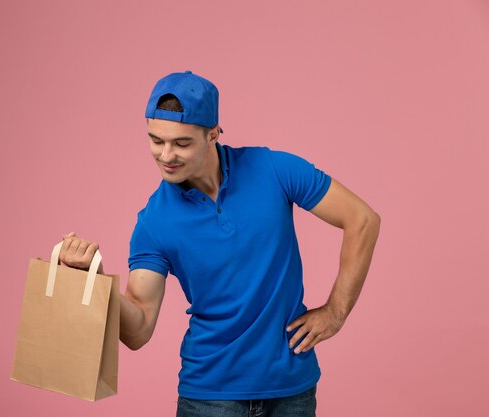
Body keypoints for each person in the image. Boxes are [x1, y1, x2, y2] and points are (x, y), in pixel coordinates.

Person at [59, 70, 380, 417]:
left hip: (292, 389)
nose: (166, 155)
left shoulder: (273, 168)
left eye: (181, 143)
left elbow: (362, 220)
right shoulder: (153, 222)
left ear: (213, 133)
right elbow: (137, 331)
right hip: (210, 398)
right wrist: (96, 280)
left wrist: (336, 312)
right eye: (156, 140)